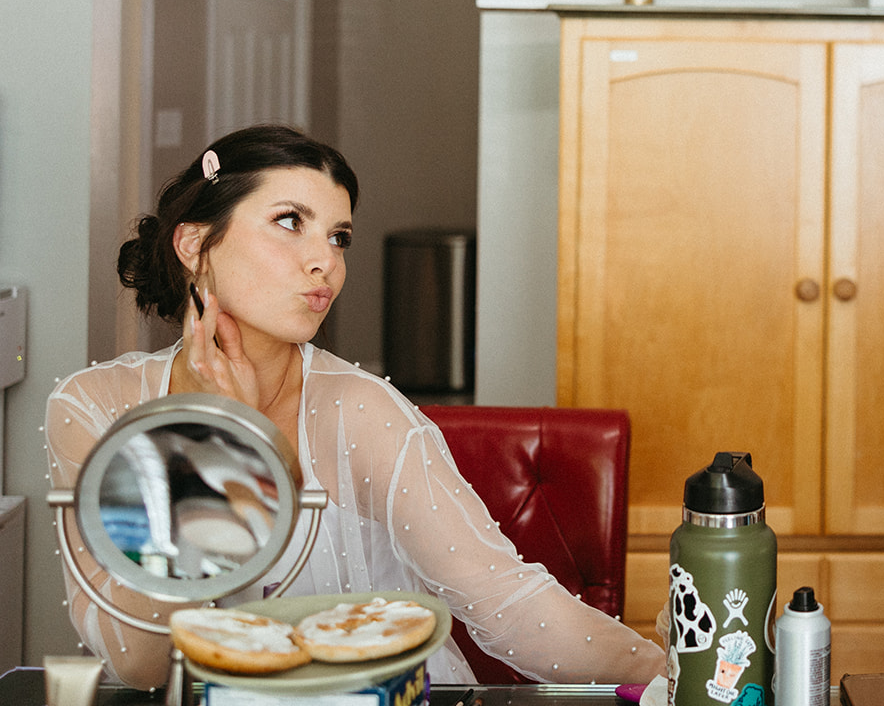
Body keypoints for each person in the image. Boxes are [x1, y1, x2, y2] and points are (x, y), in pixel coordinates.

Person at [46, 124, 667, 689]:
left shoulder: (362, 410)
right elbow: (137, 662)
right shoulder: (94, 410)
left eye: (338, 237)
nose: (326, 263)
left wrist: (678, 679)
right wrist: (217, 447)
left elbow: (505, 600)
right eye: (291, 221)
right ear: (194, 242)